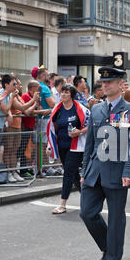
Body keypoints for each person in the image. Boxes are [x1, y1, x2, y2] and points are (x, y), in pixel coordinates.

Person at [79, 66, 130, 260]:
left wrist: (129, 171)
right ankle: (107, 248)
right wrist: (84, 170)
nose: (105, 85)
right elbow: (90, 144)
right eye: (103, 82)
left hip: (117, 172)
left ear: (121, 85)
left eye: (110, 82)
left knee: (116, 220)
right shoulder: (96, 109)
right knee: (87, 213)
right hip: (94, 171)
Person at [47, 84, 90, 214]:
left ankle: (62, 204)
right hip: (62, 146)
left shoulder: (80, 109)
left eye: (66, 92)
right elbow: (52, 128)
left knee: (68, 174)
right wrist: (50, 145)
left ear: (71, 94)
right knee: (74, 174)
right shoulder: (57, 109)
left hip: (76, 147)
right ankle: (88, 200)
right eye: (62, 92)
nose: (63, 95)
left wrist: (80, 132)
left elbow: (91, 125)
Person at [36, 68, 56, 175]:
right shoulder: (44, 87)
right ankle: (43, 168)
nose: (48, 78)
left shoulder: (36, 85)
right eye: (47, 75)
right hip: (44, 119)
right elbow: (53, 103)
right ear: (43, 75)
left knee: (41, 144)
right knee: (43, 144)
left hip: (40, 118)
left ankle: (42, 167)